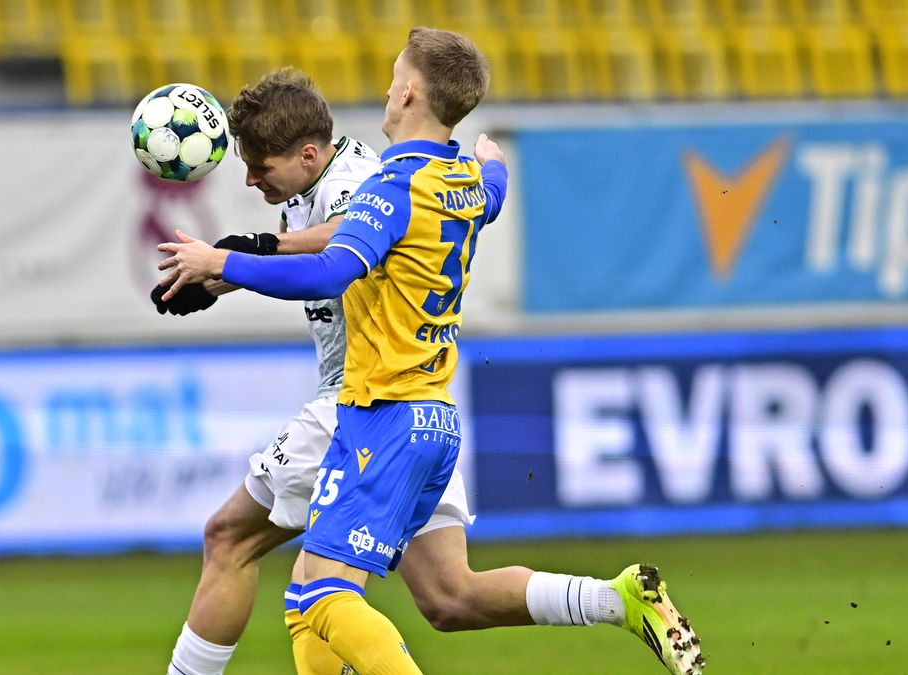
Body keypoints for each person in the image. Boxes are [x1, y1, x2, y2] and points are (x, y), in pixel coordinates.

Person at [159, 37, 703, 675]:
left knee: (253, 555)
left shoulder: (381, 182)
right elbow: (486, 193)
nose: (252, 180)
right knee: (448, 596)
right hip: (428, 408)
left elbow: (340, 254)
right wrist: (492, 161)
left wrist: (230, 258)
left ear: (409, 91)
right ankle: (615, 600)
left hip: (365, 407)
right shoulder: (457, 177)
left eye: (261, 168)